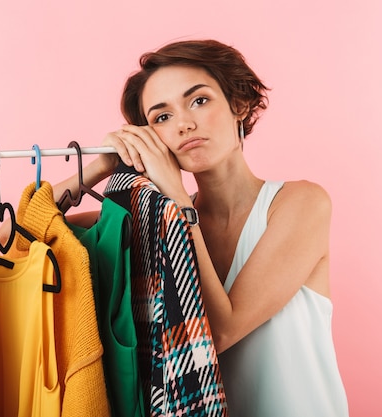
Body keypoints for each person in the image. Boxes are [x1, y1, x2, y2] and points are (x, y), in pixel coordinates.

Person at [48, 39, 349, 416]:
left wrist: (175, 194)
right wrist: (102, 165)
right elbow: (26, 229)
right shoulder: (158, 222)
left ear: (238, 105)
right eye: (161, 117)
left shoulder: (300, 203)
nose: (184, 124)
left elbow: (219, 332)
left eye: (199, 101)